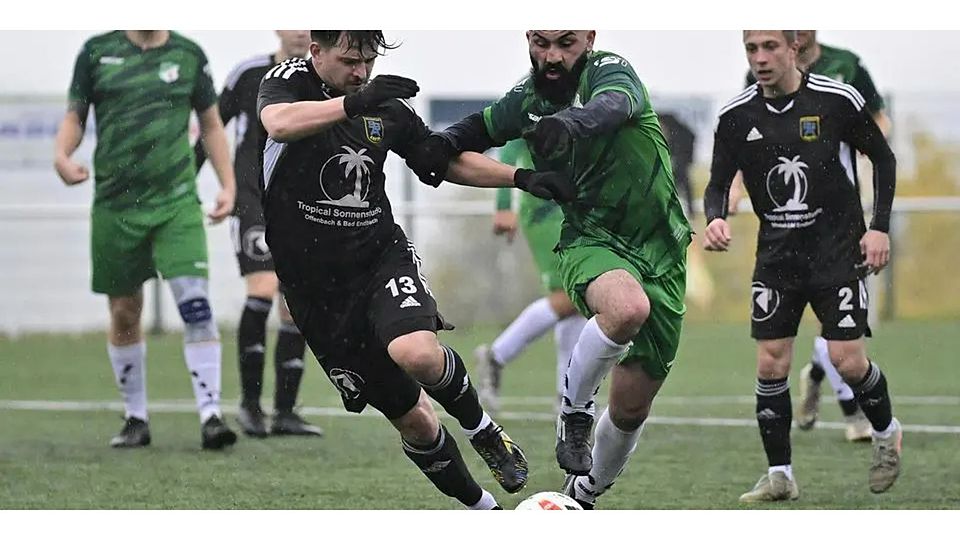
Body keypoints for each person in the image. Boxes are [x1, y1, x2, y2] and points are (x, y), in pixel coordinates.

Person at [256, 30, 543, 509]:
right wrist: (355, 103)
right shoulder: (288, 82)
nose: (360, 72)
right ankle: (484, 509)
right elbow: (279, 124)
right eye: (349, 60)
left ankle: (483, 430)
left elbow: (441, 162)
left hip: (377, 259)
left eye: (368, 62)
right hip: (315, 294)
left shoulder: (384, 107)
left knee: (418, 354)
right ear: (316, 52)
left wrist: (522, 178)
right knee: (417, 422)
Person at [408, 29, 693, 510]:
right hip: (591, 238)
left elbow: (613, 106)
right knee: (625, 308)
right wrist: (442, 143)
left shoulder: (611, 69)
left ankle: (584, 495)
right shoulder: (527, 97)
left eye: (566, 43)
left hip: (663, 249)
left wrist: (573, 124)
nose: (553, 56)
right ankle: (574, 409)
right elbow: (479, 128)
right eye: (541, 43)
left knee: (630, 408)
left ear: (589, 38)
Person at [703, 30, 902, 502]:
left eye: (770, 47)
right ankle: (780, 476)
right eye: (752, 49)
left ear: (795, 49)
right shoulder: (736, 116)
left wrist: (879, 227)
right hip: (777, 259)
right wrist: (715, 218)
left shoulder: (836, 100)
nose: (760, 58)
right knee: (771, 364)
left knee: (846, 362)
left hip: (837, 253)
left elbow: (884, 158)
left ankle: (886, 433)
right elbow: (717, 182)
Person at [54, 30, 238, 450]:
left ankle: (211, 415)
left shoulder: (189, 54)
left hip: (176, 202)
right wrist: (62, 155)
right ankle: (135, 417)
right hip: (116, 206)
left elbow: (210, 125)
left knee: (194, 302)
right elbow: (74, 118)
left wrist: (228, 185)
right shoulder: (96, 53)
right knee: (124, 311)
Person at [193, 30, 322, 438]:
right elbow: (212, 125)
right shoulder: (249, 73)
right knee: (263, 290)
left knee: (297, 301)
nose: (302, 29)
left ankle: (285, 412)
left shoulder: (327, 78)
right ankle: (250, 406)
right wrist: (192, 183)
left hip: (301, 202)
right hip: (252, 198)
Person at [474, 138, 588, 415]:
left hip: (570, 210)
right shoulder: (533, 101)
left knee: (576, 304)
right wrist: (504, 205)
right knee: (572, 296)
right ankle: (496, 356)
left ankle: (566, 393)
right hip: (546, 211)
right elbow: (510, 150)